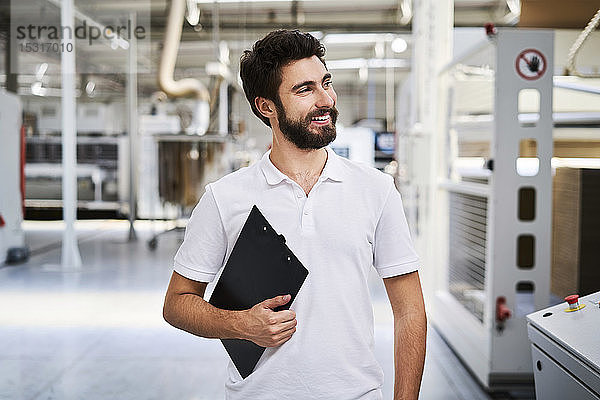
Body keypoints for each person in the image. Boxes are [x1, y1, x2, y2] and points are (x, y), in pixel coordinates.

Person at [163, 29, 426, 400]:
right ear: (266, 106)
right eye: (305, 90)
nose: (326, 100)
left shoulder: (376, 190)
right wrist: (241, 324)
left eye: (326, 83)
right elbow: (176, 304)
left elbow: (410, 310)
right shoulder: (225, 198)